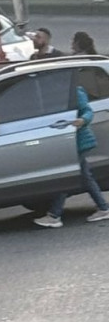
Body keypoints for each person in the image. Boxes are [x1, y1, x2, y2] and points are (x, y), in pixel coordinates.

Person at [34, 85, 109, 228]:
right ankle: (103, 208)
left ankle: (54, 215)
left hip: (77, 141)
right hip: (70, 141)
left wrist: (82, 120)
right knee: (83, 176)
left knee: (67, 177)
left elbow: (87, 110)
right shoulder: (54, 91)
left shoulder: (74, 90)